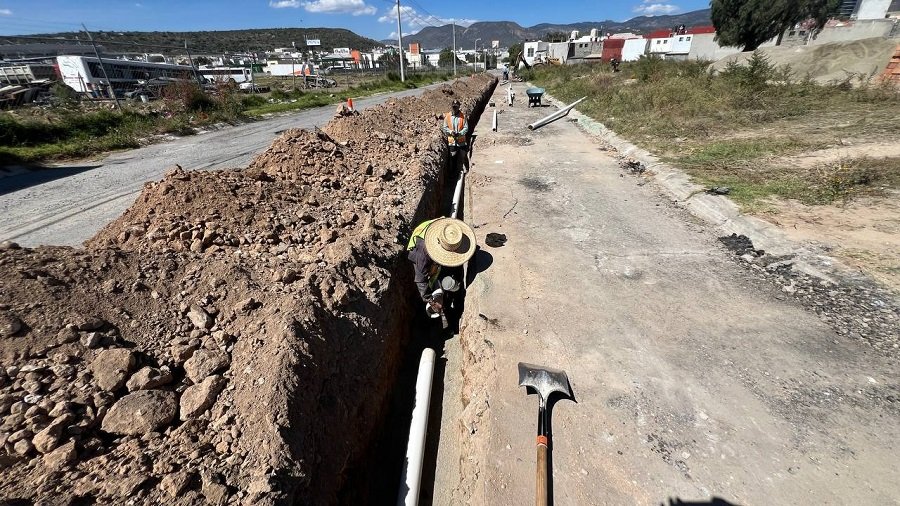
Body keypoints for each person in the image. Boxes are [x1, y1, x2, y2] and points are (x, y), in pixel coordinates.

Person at [407, 217, 477, 318]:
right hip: (418, 246)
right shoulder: (422, 256)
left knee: (441, 272)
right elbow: (420, 280)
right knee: (431, 274)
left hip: (429, 234)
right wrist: (430, 300)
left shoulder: (448, 231)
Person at [442, 99, 469, 174]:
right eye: (453, 107)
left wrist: (460, 133)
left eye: (456, 107)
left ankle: (467, 170)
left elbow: (466, 128)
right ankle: (453, 174)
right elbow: (445, 127)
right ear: (451, 107)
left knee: (464, 155)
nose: (455, 108)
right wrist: (451, 132)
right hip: (452, 142)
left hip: (461, 141)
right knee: (453, 158)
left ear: (459, 107)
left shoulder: (462, 116)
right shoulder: (448, 116)